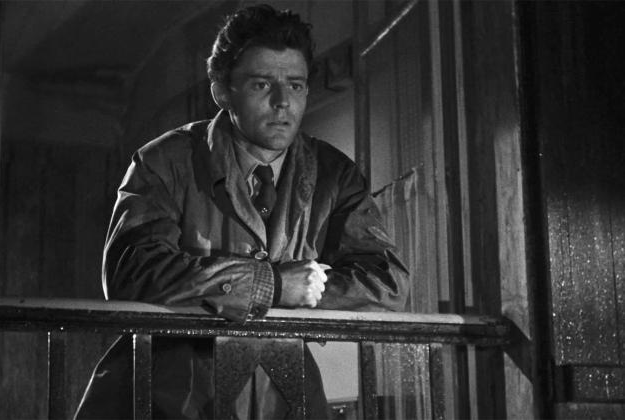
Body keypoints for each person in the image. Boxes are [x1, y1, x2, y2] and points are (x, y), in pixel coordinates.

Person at [76, 4, 409, 419]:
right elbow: (131, 272)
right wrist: (271, 286)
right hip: (168, 397)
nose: (282, 102)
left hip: (282, 396)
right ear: (222, 91)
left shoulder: (334, 172)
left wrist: (311, 289)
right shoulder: (166, 160)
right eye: (261, 84)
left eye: (296, 85)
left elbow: (387, 283)